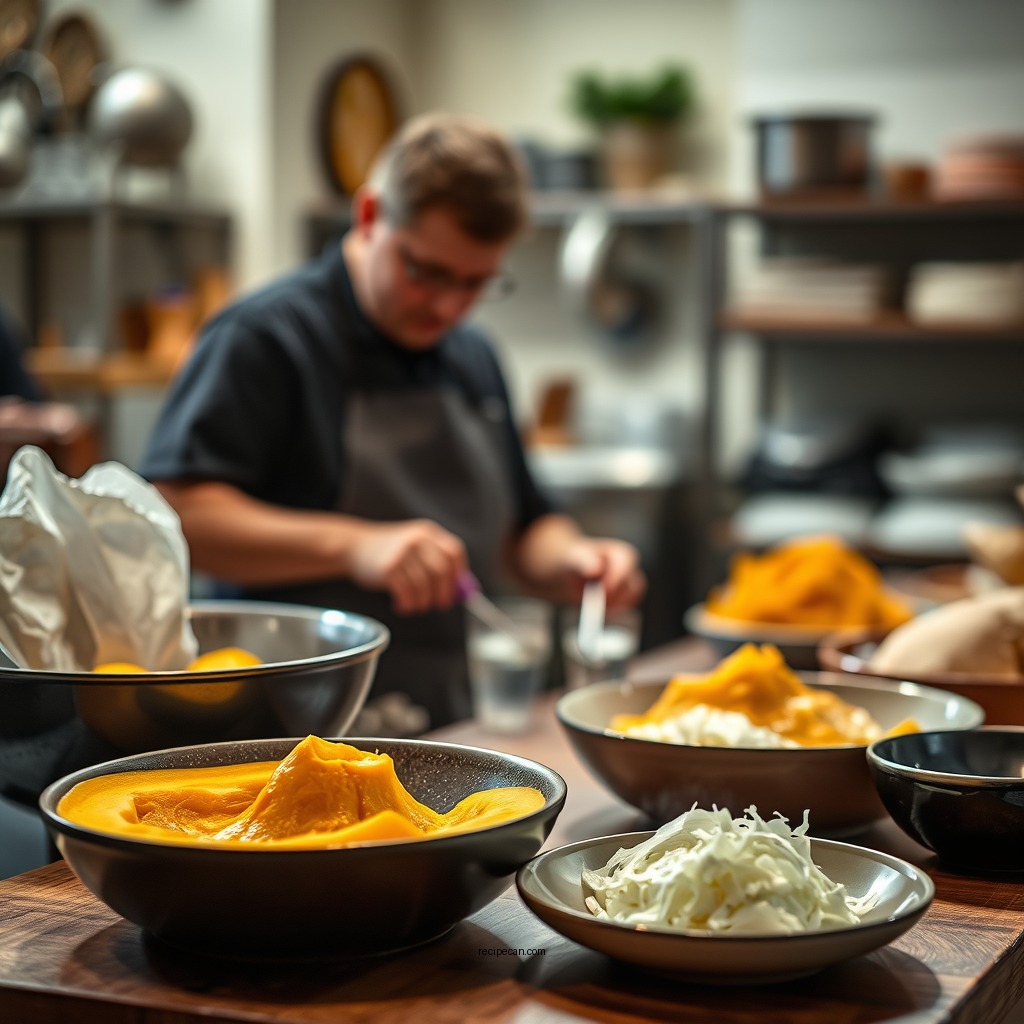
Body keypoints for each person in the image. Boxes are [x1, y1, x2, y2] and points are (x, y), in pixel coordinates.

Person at [139, 111, 646, 729]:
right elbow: (174, 513)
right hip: (292, 730)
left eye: (477, 283)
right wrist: (358, 546)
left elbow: (524, 528)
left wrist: (574, 561)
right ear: (371, 215)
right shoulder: (267, 339)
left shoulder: (472, 355)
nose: (449, 305)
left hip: (447, 724)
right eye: (426, 272)